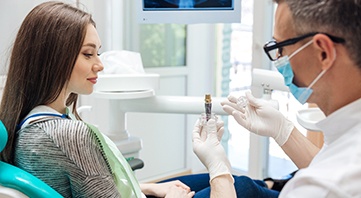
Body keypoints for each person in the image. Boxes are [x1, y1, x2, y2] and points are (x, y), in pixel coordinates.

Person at [0, 1, 237, 197]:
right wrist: (217, 163)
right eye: (87, 53)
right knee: (241, 185)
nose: (100, 65)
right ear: (52, 57)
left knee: (232, 182)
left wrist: (149, 187)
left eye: (98, 53)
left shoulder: (28, 120)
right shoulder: (67, 135)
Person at [222, 0, 361, 197]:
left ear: (323, 52)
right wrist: (283, 130)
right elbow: (329, 160)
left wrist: (218, 170)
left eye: (281, 47)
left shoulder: (323, 187)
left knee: (243, 187)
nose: (279, 59)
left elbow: (330, 175)